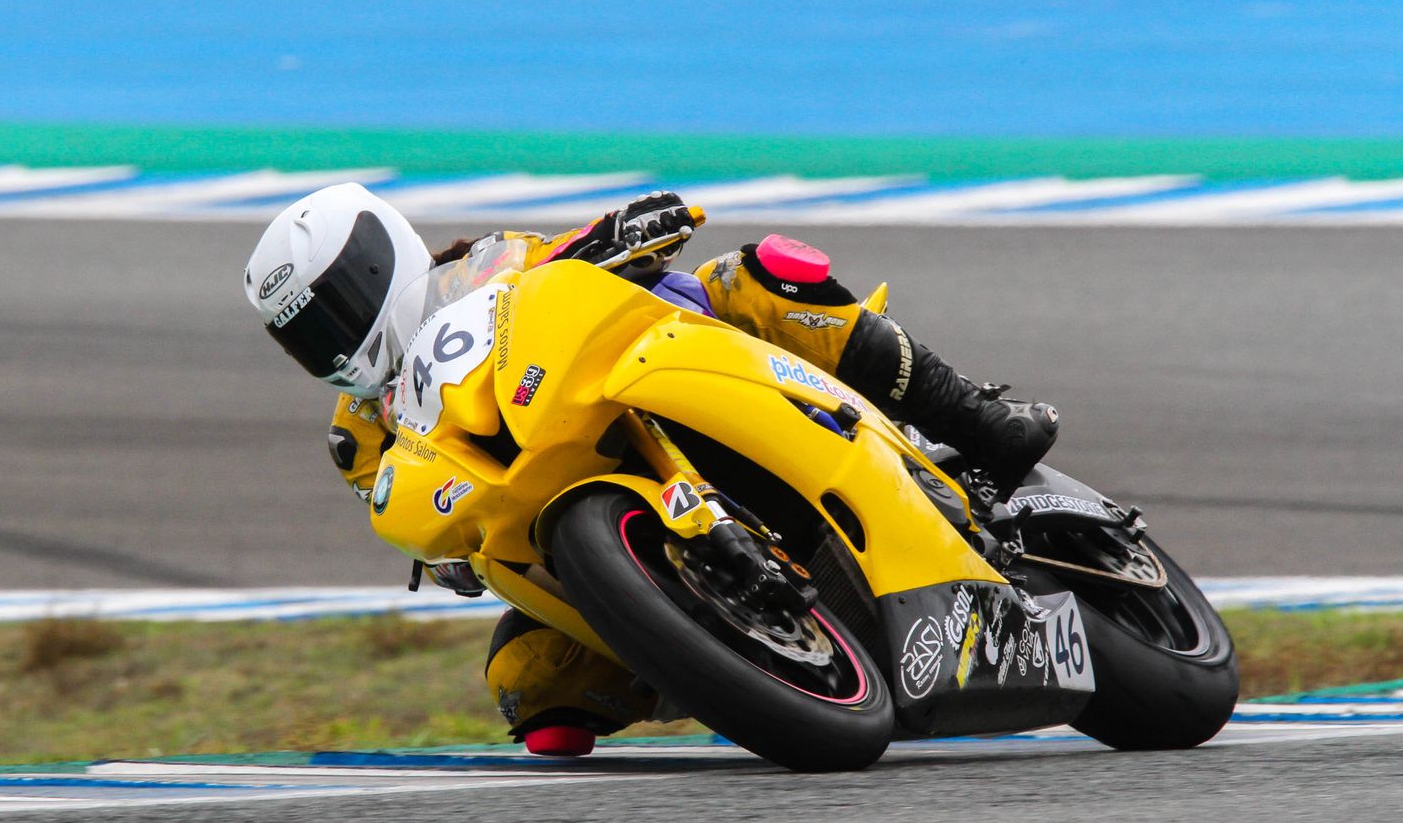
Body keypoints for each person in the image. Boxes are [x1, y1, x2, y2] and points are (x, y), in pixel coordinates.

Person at [244, 183, 1058, 757]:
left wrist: (630, 231)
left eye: (336, 308)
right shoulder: (359, 435)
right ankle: (728, 661)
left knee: (757, 276)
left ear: (380, 262)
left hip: (669, 382)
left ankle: (978, 421)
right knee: (533, 693)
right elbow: (421, 520)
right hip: (564, 517)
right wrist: (446, 550)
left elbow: (581, 260)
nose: (333, 340)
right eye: (306, 335)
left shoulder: (496, 263)